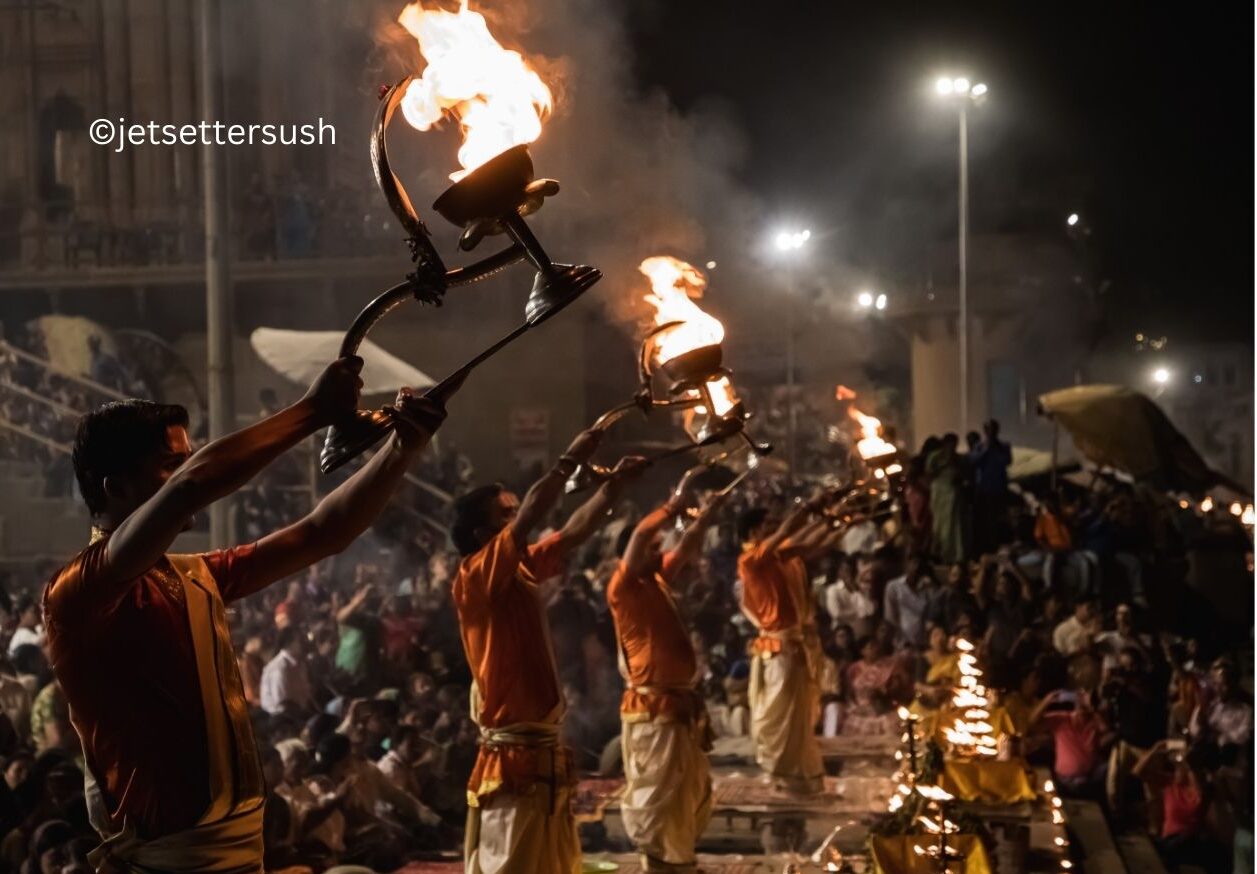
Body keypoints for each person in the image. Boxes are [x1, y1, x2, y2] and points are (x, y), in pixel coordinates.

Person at [43, 359, 451, 873]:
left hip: (240, 853)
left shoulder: (194, 575)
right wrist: (311, 412)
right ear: (115, 487)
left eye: (185, 461)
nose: (187, 472)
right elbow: (194, 485)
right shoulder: (78, 592)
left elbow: (321, 532)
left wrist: (401, 449)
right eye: (170, 464)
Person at [448, 426, 640, 874]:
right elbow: (536, 510)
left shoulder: (521, 566)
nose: (518, 519)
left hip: (541, 745)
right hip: (514, 749)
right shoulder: (476, 576)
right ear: (482, 533)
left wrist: (614, 487)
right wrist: (572, 454)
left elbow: (572, 534)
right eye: (506, 515)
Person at [607, 471, 726, 873]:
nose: (660, 550)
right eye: (655, 546)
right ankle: (663, 866)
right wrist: (672, 504)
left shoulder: (655, 578)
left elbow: (689, 545)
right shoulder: (622, 587)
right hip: (653, 709)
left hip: (677, 708)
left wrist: (706, 515)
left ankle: (680, 862)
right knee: (658, 794)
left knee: (685, 792)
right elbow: (640, 536)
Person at [736, 501, 831, 794]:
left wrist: (836, 519)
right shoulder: (751, 560)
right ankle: (781, 774)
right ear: (754, 531)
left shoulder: (779, 555)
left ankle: (799, 777)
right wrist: (811, 509)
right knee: (780, 715)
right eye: (769, 524)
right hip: (778, 649)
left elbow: (810, 542)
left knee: (798, 714)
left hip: (795, 644)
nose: (776, 528)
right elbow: (791, 530)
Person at [970, 419, 1012, 553]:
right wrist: (986, 449)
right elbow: (974, 460)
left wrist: (994, 449)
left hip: (998, 489)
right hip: (983, 489)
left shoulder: (1004, 446)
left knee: (998, 520)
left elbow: (1007, 461)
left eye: (993, 429)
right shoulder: (980, 446)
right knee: (984, 522)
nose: (991, 432)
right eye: (988, 429)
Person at [260, 626, 315, 716]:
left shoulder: (300, 663)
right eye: (300, 640)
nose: (305, 643)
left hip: (300, 712)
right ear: (289, 644)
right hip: (282, 719)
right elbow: (284, 703)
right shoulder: (279, 668)